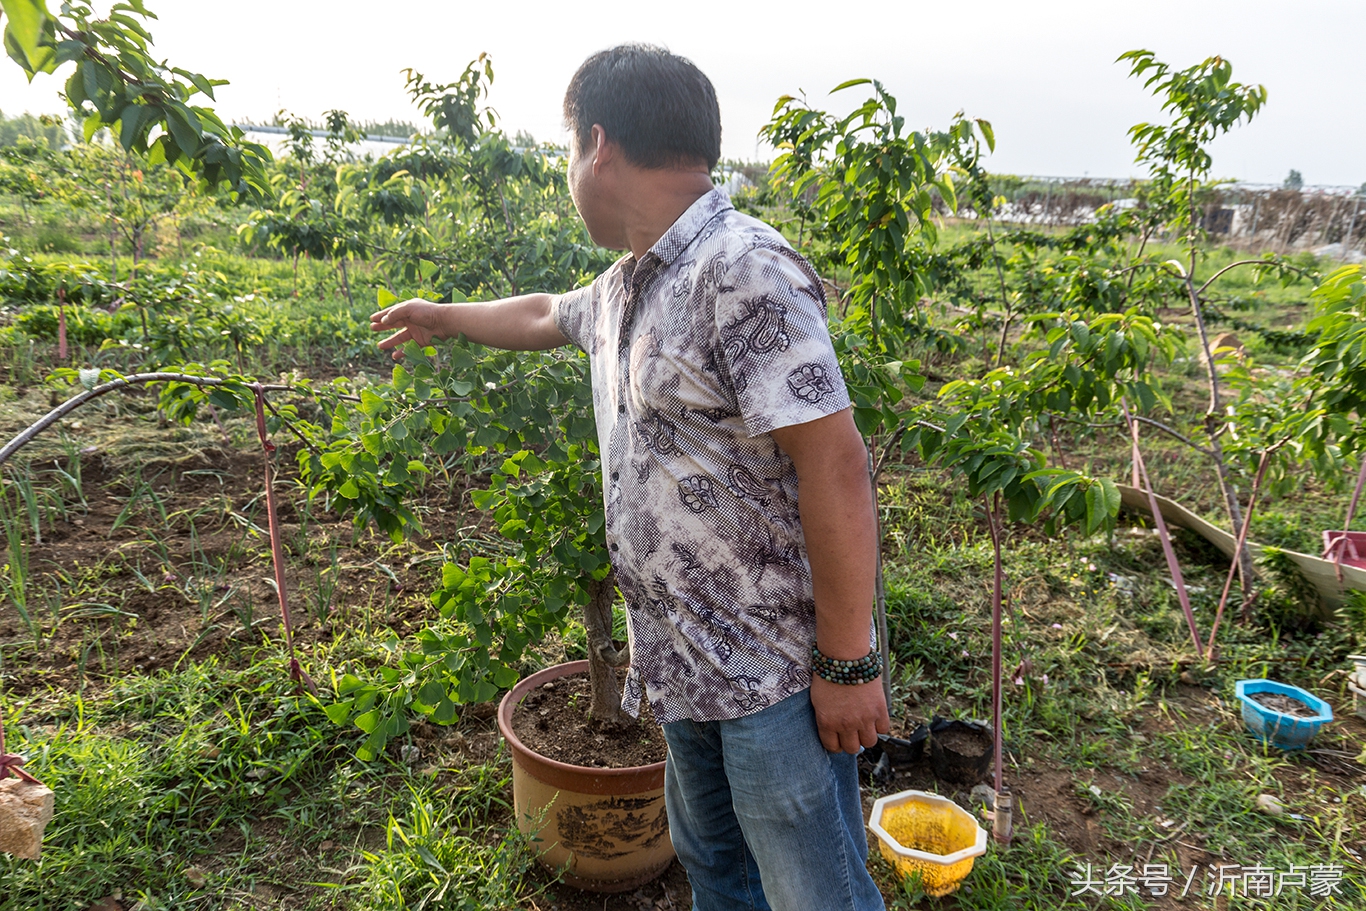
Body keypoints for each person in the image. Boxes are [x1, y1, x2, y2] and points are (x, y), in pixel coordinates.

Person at [372, 44, 888, 911]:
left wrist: (846, 664)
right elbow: (544, 312)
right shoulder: (631, 283)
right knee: (716, 865)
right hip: (683, 661)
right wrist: (445, 317)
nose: (569, 169)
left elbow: (837, 466)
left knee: (813, 891)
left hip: (771, 675)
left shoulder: (743, 269)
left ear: (598, 144)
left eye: (568, 147)